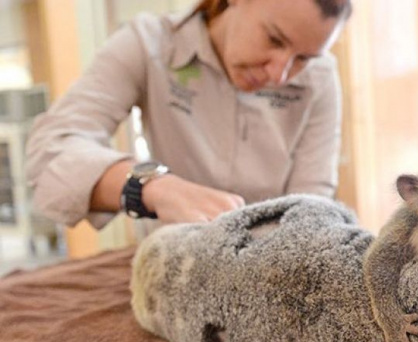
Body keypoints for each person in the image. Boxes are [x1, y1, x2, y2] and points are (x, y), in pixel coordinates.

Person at [25, 0, 352, 229]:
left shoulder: (320, 79)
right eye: (274, 38)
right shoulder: (149, 44)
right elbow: (50, 156)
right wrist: (152, 188)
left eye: (303, 58)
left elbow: (312, 204)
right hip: (174, 266)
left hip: (270, 273)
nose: (280, 74)